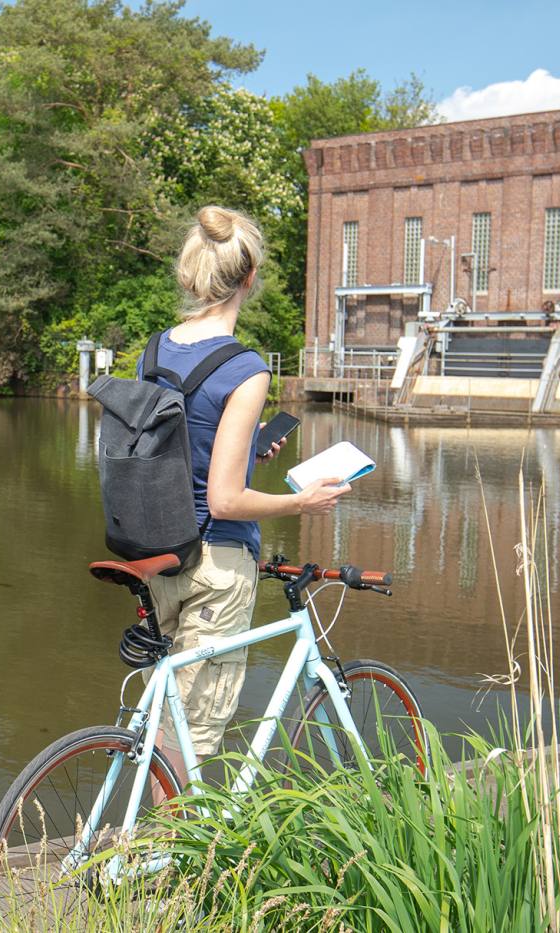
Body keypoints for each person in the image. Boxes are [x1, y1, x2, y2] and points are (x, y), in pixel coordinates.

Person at [139, 205, 351, 763]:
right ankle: (165, 852)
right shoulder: (245, 369)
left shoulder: (156, 349)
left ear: (193, 272)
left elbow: (178, 445)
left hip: (160, 549)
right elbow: (226, 499)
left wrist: (243, 437)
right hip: (213, 565)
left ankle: (144, 844)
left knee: (164, 722)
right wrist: (302, 502)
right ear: (249, 277)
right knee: (192, 740)